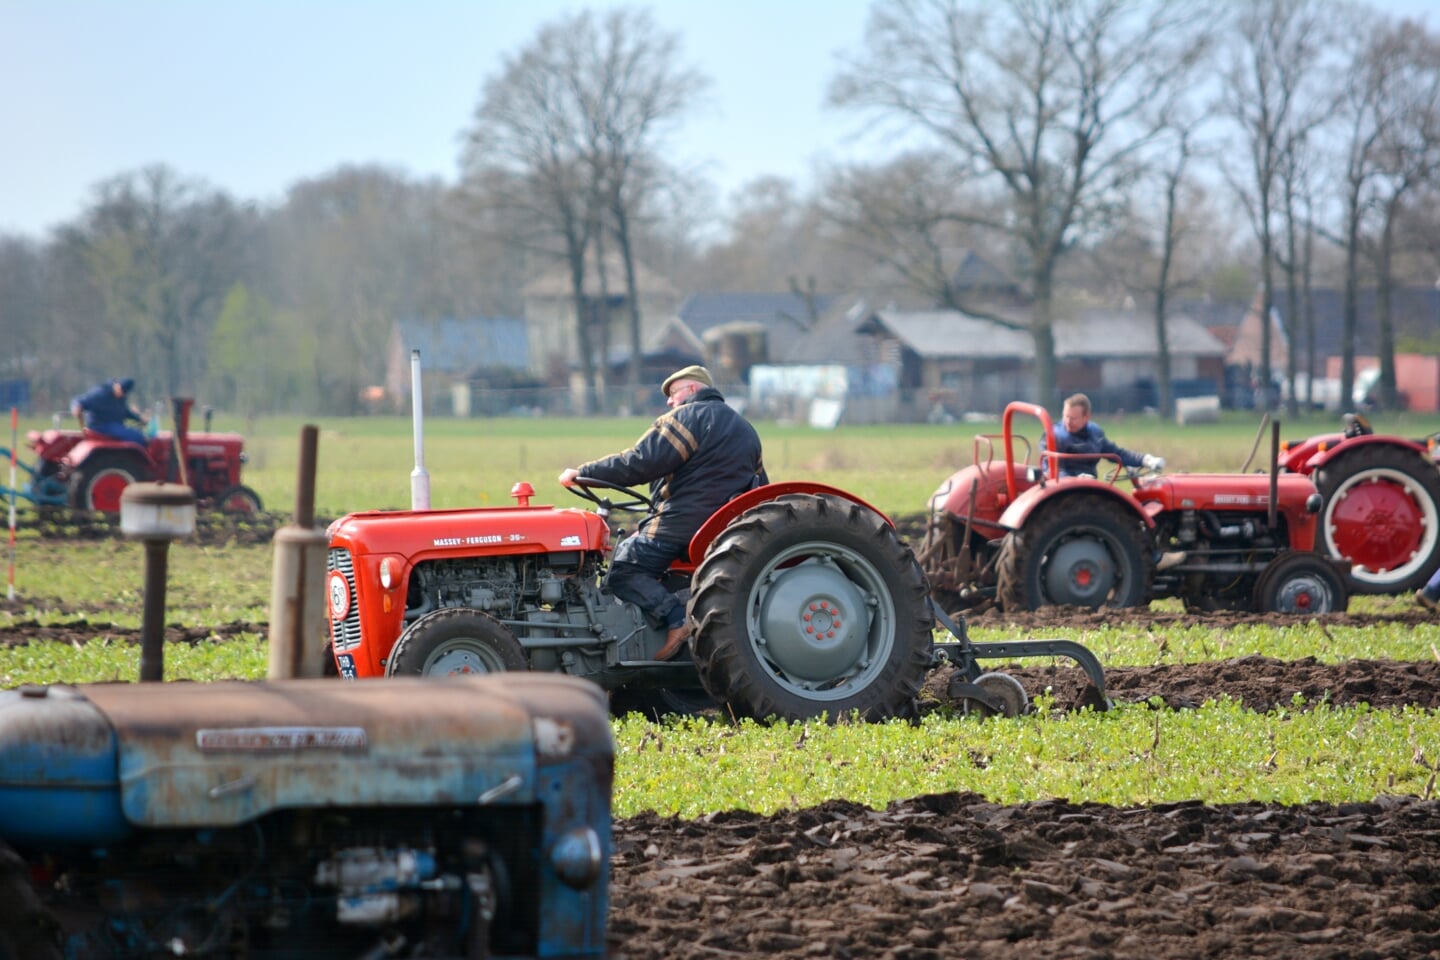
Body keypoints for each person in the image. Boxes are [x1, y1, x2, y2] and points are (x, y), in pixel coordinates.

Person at [559, 365, 768, 660]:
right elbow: (760, 487)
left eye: (673, 393)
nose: (669, 401)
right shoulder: (745, 429)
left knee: (622, 569)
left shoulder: (687, 418)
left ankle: (676, 618)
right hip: (722, 531)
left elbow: (641, 462)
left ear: (692, 390)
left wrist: (583, 472)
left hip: (679, 526)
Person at [1045, 392, 1164, 478]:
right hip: (1065, 487)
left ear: (1086, 417)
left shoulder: (1095, 435)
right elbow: (1051, 469)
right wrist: (1075, 480)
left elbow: (1117, 454)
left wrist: (1145, 460)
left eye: (1073, 418)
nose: (1068, 422)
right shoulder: (1053, 436)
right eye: (1066, 416)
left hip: (1089, 485)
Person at [70, 377, 148, 446]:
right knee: (136, 437)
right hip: (100, 425)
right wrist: (76, 407)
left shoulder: (120, 397)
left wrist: (138, 418)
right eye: (120, 390)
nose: (121, 394)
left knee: (139, 433)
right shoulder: (100, 394)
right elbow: (79, 401)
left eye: (124, 393)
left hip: (115, 424)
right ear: (117, 385)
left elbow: (124, 411)